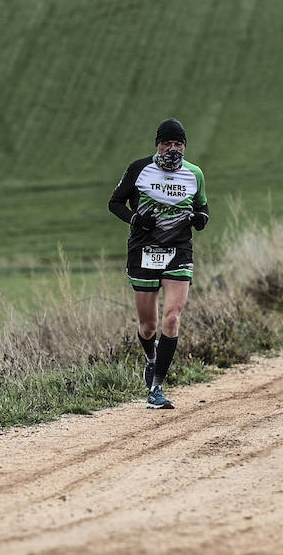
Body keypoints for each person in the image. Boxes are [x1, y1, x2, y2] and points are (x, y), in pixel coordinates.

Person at [108, 118, 209, 409]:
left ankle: (157, 387)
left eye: (178, 144)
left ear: (185, 147)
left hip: (178, 250)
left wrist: (201, 219)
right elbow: (115, 203)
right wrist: (136, 219)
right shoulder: (138, 169)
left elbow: (202, 206)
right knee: (149, 326)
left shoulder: (195, 174)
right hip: (144, 250)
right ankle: (151, 358)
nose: (173, 149)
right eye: (167, 143)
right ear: (157, 145)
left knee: (173, 317)